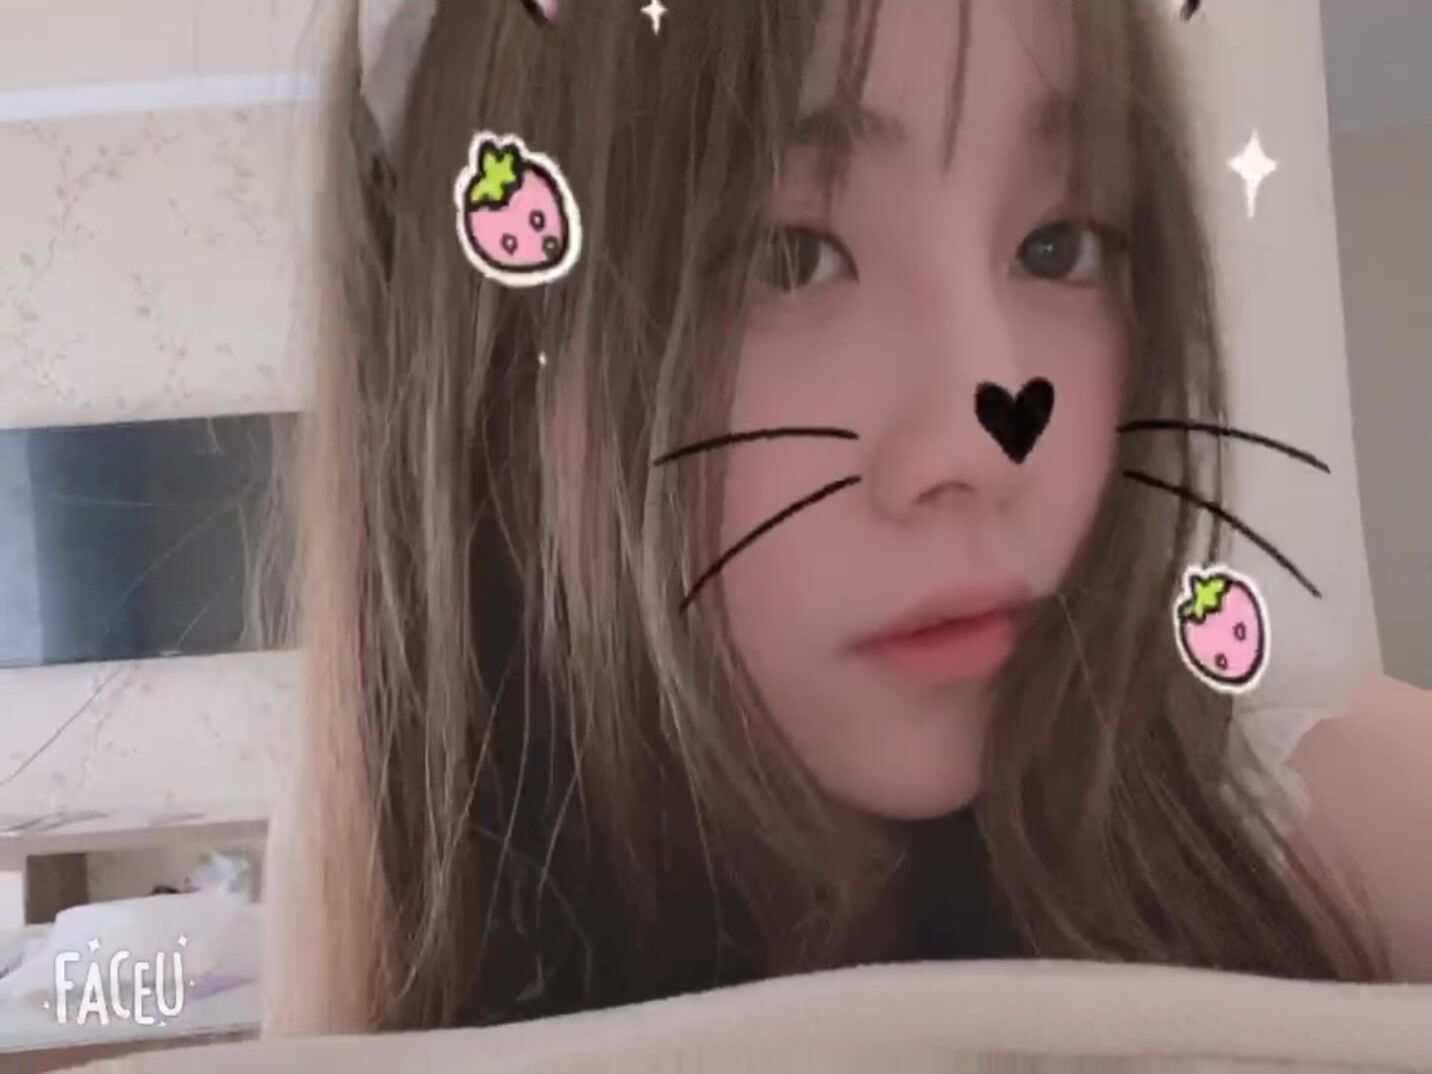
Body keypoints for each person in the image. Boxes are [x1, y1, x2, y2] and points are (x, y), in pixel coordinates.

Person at [262, 0, 1432, 1036]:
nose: (988, 444)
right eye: (788, 257)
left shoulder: (1284, 820)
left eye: (1055, 245)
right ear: (485, 377)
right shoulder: (387, 886)